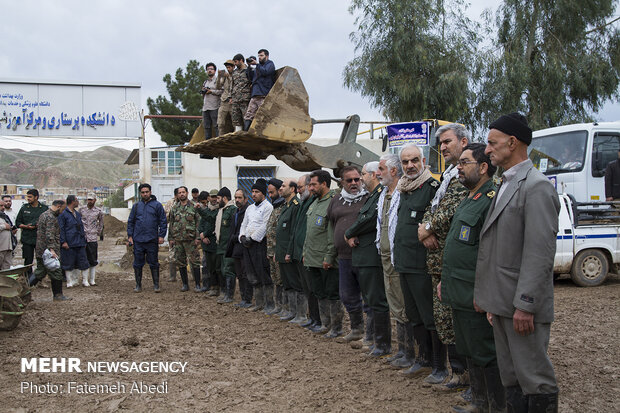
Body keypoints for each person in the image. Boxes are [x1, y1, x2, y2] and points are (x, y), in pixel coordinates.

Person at [475, 112, 560, 412]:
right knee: (511, 376)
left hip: (522, 306)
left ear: (512, 142)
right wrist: (492, 302)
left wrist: (526, 304)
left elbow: (539, 252)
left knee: (535, 379)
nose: (487, 149)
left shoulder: (536, 186)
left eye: (492, 143)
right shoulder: (506, 183)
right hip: (503, 304)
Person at [438, 143, 504, 412]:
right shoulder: (470, 197)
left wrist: (485, 292)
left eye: (464, 162)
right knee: (470, 349)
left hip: (476, 294)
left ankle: (495, 405)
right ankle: (479, 401)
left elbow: (492, 253)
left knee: (486, 352)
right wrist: (446, 281)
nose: (458, 167)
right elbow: (458, 247)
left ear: (484, 167)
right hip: (460, 291)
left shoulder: (491, 199)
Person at [417, 124, 470, 387]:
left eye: (447, 142)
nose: (443, 147)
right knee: (444, 321)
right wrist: (425, 228)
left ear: (464, 141)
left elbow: (449, 211)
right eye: (441, 144)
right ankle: (457, 372)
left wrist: (426, 228)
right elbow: (432, 208)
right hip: (438, 262)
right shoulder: (449, 174)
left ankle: (464, 375)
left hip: (452, 262)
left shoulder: (466, 173)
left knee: (456, 321)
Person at [344, 161, 386, 353]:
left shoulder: (379, 195)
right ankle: (373, 340)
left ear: (373, 174)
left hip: (371, 256)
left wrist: (349, 232)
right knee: (370, 298)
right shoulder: (372, 196)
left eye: (362, 175)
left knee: (376, 300)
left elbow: (368, 219)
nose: (360, 179)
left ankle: (381, 343)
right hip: (364, 255)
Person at [326, 166, 369, 341]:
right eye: (349, 180)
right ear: (342, 182)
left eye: (357, 179)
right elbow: (331, 225)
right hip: (343, 257)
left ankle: (371, 335)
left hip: (364, 256)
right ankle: (356, 329)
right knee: (347, 295)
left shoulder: (368, 198)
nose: (353, 183)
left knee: (369, 296)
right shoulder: (336, 200)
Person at [372, 154, 408, 359]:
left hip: (397, 258)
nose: (378, 173)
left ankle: (408, 352)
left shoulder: (402, 192)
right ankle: (402, 350)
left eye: (381, 169)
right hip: (385, 256)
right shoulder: (384, 194)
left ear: (393, 171)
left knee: (402, 304)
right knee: (393, 302)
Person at [303, 170, 341, 338]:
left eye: (313, 184)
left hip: (326, 259)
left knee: (332, 293)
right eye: (309, 184)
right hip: (312, 258)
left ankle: (336, 327)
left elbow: (332, 233)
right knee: (319, 292)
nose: (310, 188)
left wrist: (329, 256)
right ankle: (325, 324)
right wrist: (305, 253)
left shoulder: (332, 202)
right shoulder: (314, 203)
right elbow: (309, 232)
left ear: (324, 184)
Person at [239, 179, 274, 312]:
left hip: (259, 244)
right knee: (251, 273)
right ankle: (259, 303)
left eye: (257, 192)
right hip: (247, 245)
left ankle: (269, 304)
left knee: (263, 273)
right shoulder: (250, 208)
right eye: (252, 192)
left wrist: (252, 238)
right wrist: (242, 237)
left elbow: (265, 226)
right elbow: (244, 224)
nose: (254, 194)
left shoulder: (268, 207)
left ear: (263, 194)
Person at [290, 175, 318, 329]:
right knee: (306, 288)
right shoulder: (303, 202)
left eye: (300, 187)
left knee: (312, 288)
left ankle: (318, 319)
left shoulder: (313, 202)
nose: (298, 190)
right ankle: (312, 318)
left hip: (308, 253)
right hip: (299, 252)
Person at [127, 183, 167, 293]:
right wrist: (130, 236)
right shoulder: (136, 206)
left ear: (150, 192)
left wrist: (161, 235)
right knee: (137, 263)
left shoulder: (157, 205)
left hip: (152, 239)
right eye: (143, 192)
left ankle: (156, 285)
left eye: (147, 192)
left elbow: (163, 221)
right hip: (138, 240)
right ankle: (138, 285)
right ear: (140, 193)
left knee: (154, 263)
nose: (145, 194)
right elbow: (131, 222)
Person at [30, 200, 70, 301]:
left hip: (40, 250)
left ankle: (23, 289)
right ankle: (58, 295)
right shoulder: (51, 218)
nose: (62, 212)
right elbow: (49, 235)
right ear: (58, 206)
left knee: (40, 272)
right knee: (56, 272)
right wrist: (52, 250)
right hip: (48, 251)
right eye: (62, 209)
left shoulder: (43, 215)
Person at [275, 179, 301, 321]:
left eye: (283, 186)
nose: (280, 188)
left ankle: (300, 313)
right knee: (287, 283)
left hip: (288, 252)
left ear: (292, 189)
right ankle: (291, 311)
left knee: (294, 282)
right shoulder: (286, 205)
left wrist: (289, 252)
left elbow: (293, 232)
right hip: (282, 251)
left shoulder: (296, 205)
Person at [168, 186, 202, 292]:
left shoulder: (194, 206)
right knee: (181, 262)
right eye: (180, 193)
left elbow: (198, 223)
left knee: (195, 262)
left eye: (183, 192)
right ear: (177, 195)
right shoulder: (174, 208)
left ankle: (197, 284)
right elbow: (171, 223)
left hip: (191, 240)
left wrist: (198, 237)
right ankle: (185, 284)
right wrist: (170, 238)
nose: (182, 194)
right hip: (178, 239)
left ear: (187, 193)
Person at [59, 195, 90, 287]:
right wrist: (63, 241)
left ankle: (85, 281)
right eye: (77, 200)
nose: (78, 202)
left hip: (79, 242)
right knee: (68, 262)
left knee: (84, 262)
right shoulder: (63, 215)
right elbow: (61, 229)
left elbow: (81, 228)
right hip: (69, 242)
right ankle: (69, 281)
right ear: (73, 202)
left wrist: (84, 241)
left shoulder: (77, 214)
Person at [265, 178, 286, 315]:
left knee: (282, 280)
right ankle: (278, 306)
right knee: (276, 280)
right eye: (269, 193)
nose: (270, 196)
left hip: (279, 252)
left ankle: (285, 307)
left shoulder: (283, 208)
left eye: (272, 193)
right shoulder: (275, 208)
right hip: (271, 252)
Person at [227, 189, 252, 307]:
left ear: (246, 199)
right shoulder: (236, 212)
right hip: (236, 247)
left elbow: (248, 229)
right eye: (236, 197)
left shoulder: (249, 211)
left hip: (245, 247)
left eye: (240, 198)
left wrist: (236, 237)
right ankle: (243, 298)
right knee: (240, 274)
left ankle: (248, 299)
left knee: (246, 274)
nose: (237, 200)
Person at [16, 189, 48, 278]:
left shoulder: (44, 208)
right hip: (27, 239)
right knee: (28, 261)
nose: (28, 199)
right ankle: (28, 280)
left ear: (36, 197)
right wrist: (26, 227)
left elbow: (49, 222)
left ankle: (40, 279)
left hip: (40, 239)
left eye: (30, 197)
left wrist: (38, 225)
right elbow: (18, 223)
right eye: (27, 197)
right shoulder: (24, 208)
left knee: (41, 260)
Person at [215, 187, 237, 303]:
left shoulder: (232, 210)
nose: (217, 201)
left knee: (229, 270)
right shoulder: (222, 210)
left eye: (218, 198)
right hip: (221, 246)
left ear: (224, 198)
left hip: (228, 247)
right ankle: (224, 292)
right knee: (222, 270)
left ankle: (229, 295)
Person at [243, 49, 276, 131]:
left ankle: (264, 133)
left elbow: (266, 72)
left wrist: (257, 64)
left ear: (267, 56)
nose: (259, 58)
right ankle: (245, 133)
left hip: (264, 94)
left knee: (263, 115)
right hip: (255, 94)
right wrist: (249, 67)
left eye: (261, 55)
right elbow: (250, 78)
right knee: (249, 114)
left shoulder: (270, 64)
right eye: (258, 56)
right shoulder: (258, 67)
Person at [79, 193, 104, 286]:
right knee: (84, 259)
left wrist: (97, 232)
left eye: (91, 199)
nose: (89, 201)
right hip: (83, 238)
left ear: (95, 200)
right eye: (88, 199)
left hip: (93, 238)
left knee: (93, 259)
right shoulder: (81, 210)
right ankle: (84, 280)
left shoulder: (99, 211)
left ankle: (92, 279)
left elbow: (101, 223)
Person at [199, 189, 221, 295]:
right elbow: (201, 224)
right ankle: (211, 286)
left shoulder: (219, 211)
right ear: (209, 198)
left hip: (215, 243)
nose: (214, 199)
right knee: (209, 266)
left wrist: (206, 234)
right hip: (206, 244)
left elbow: (213, 224)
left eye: (216, 197)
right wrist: (202, 236)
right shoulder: (207, 210)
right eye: (212, 197)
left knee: (217, 267)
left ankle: (219, 287)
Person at [201, 62, 223, 139]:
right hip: (205, 107)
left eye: (211, 69)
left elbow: (222, 91)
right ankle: (207, 143)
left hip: (214, 106)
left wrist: (211, 91)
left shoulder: (218, 80)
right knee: (206, 127)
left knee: (216, 126)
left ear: (215, 70)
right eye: (208, 69)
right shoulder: (205, 82)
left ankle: (218, 142)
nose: (209, 71)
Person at [231, 53, 252, 132]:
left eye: (236, 62)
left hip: (245, 99)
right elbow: (232, 85)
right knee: (236, 119)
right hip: (235, 99)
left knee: (246, 118)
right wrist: (231, 97)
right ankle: (238, 134)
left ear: (241, 60)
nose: (235, 64)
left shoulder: (249, 70)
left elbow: (252, 83)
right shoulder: (235, 72)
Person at [164, 188, 180, 282]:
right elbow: (166, 218)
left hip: (186, 234)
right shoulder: (170, 203)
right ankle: (172, 276)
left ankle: (193, 278)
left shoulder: (189, 203)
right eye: (179, 193)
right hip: (173, 233)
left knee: (189, 256)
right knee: (172, 255)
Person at [217, 60, 235, 135]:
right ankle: (220, 137)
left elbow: (235, 86)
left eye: (229, 67)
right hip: (224, 101)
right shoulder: (224, 77)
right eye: (227, 67)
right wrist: (219, 76)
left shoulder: (236, 75)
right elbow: (218, 87)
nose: (228, 69)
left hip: (233, 101)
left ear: (233, 67)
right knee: (220, 123)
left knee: (235, 122)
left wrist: (229, 78)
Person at [0, 198, 15, 269]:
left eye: (3, 206)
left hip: (8, 246)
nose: (3, 207)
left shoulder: (4, 216)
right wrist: (4, 226)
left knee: (6, 269)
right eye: (1, 206)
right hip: (1, 246)